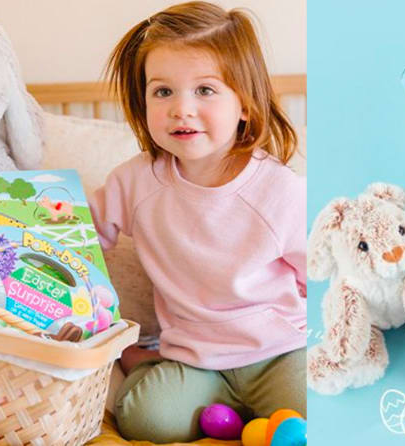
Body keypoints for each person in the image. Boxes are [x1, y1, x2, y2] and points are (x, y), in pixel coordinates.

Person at [90, 2, 305, 442]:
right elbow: (79, 234)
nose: (180, 109)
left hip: (277, 352)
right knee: (144, 420)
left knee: (318, 409)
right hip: (193, 357)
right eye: (162, 91)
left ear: (244, 104)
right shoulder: (134, 182)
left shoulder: (278, 190)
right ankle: (145, 361)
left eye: (205, 91)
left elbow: (319, 273)